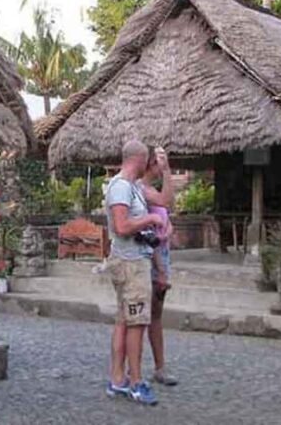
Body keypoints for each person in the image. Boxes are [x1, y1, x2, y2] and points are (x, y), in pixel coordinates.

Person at [104, 138, 165, 405]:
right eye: (147, 161)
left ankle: (118, 380)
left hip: (129, 261)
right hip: (131, 265)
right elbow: (121, 226)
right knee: (137, 323)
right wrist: (150, 219)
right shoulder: (121, 187)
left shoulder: (129, 187)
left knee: (123, 321)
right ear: (139, 160)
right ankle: (137, 382)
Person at [138, 147, 177, 387]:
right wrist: (168, 171)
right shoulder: (142, 190)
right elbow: (167, 200)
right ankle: (137, 370)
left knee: (156, 315)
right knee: (146, 315)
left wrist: (169, 226)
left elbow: (165, 211)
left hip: (162, 252)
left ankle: (159, 366)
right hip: (153, 257)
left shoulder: (151, 189)